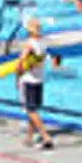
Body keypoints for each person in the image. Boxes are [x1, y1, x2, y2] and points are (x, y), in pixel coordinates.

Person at [16, 20, 53, 148]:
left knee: (30, 110)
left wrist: (17, 77)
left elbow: (20, 63)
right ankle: (29, 137)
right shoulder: (43, 42)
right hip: (40, 78)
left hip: (29, 79)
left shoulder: (29, 45)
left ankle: (45, 136)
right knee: (34, 109)